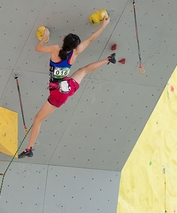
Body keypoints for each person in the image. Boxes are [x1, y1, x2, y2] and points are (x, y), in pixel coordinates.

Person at [18, 16, 116, 158]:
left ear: (64, 40)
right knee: (84, 70)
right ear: (75, 47)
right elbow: (91, 39)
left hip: (58, 92)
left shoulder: (55, 49)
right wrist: (104, 25)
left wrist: (44, 37)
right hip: (67, 87)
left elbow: (37, 48)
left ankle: (29, 148)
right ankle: (108, 59)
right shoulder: (75, 53)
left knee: (37, 119)